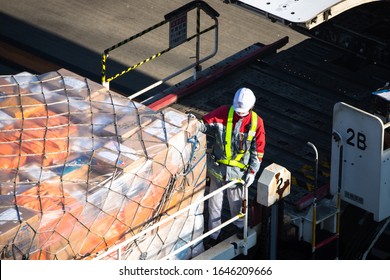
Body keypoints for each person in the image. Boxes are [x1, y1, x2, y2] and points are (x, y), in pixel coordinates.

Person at [197, 87, 266, 246]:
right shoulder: (223, 112)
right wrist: (192, 123)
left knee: (237, 205)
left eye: (243, 111)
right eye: (238, 110)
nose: (239, 113)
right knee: (214, 204)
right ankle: (214, 236)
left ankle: (241, 228)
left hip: (238, 175)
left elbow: (258, 150)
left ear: (251, 107)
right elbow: (205, 125)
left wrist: (253, 171)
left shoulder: (256, 123)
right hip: (217, 170)